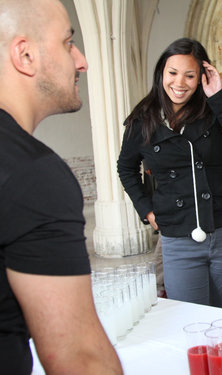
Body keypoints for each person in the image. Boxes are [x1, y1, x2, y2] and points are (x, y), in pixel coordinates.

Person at [0, 0, 123, 374]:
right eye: (68, 42)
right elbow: (78, 359)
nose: (81, 60)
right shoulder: (32, 174)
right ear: (25, 54)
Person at [117, 38, 222, 310]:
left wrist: (220, 97)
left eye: (190, 75)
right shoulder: (143, 120)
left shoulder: (215, 110)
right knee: (188, 321)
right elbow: (126, 168)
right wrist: (147, 210)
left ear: (201, 77)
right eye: (172, 73)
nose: (179, 83)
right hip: (178, 237)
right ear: (161, 73)